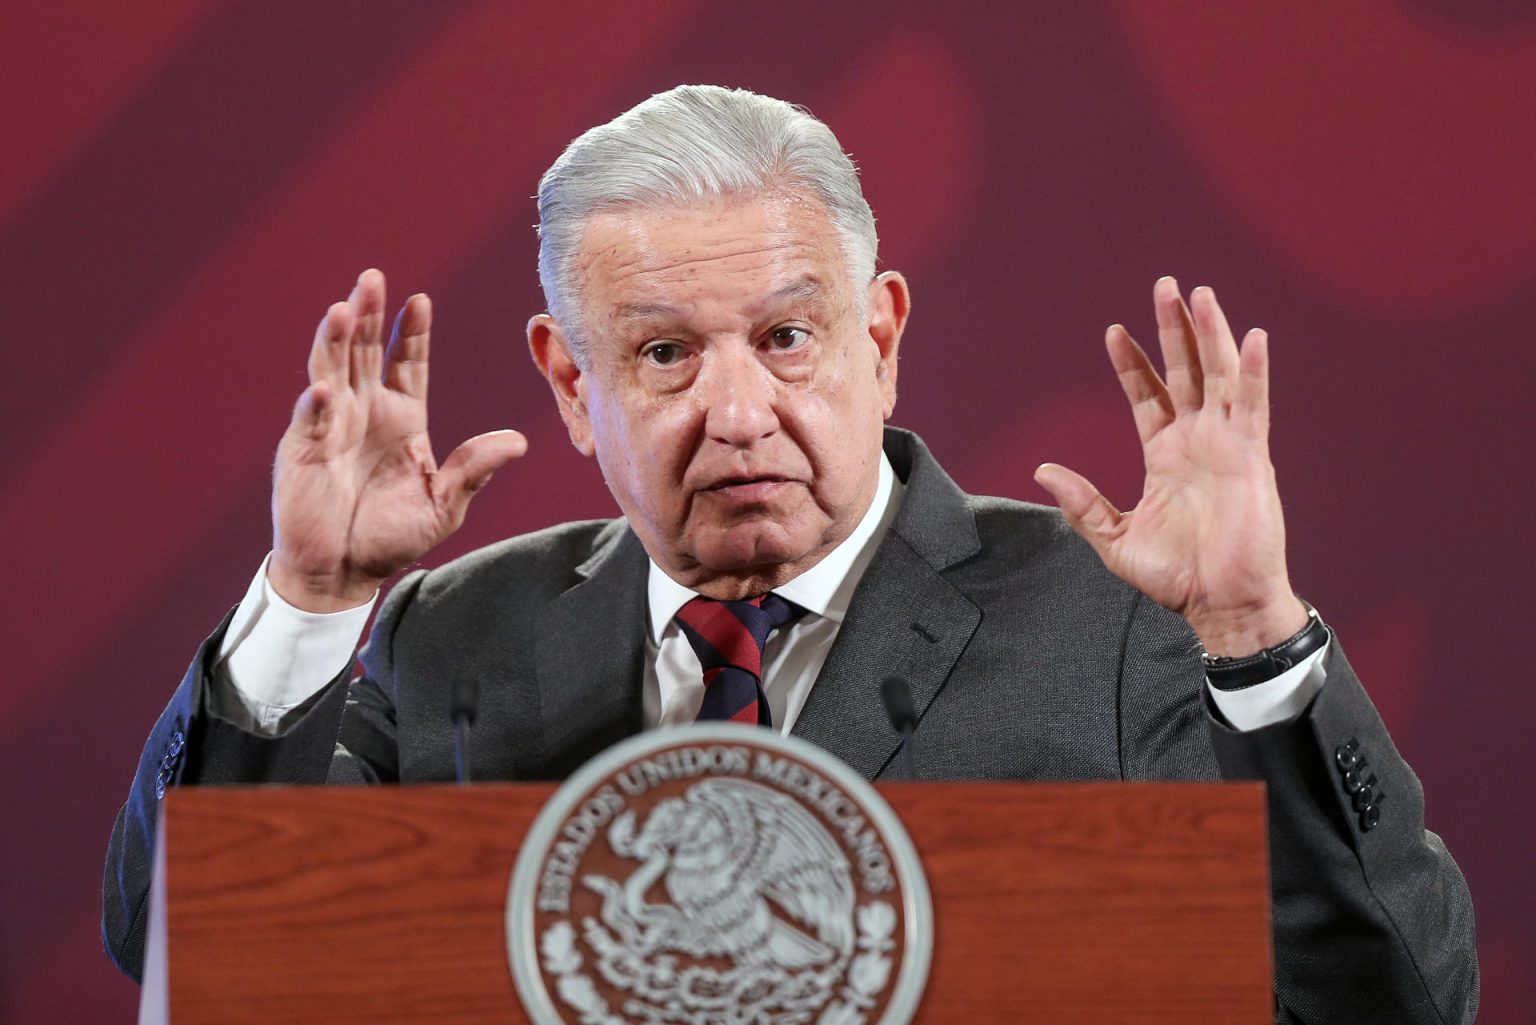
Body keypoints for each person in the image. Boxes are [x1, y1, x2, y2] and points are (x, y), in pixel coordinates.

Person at [103, 85, 1476, 1022]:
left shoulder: (1115, 620)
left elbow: (1393, 1001)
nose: (737, 408)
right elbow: (190, 958)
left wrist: (1257, 635)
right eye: (661, 354)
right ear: (573, 387)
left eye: (784, 335)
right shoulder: (452, 632)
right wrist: (310, 604)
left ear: (878, 339)